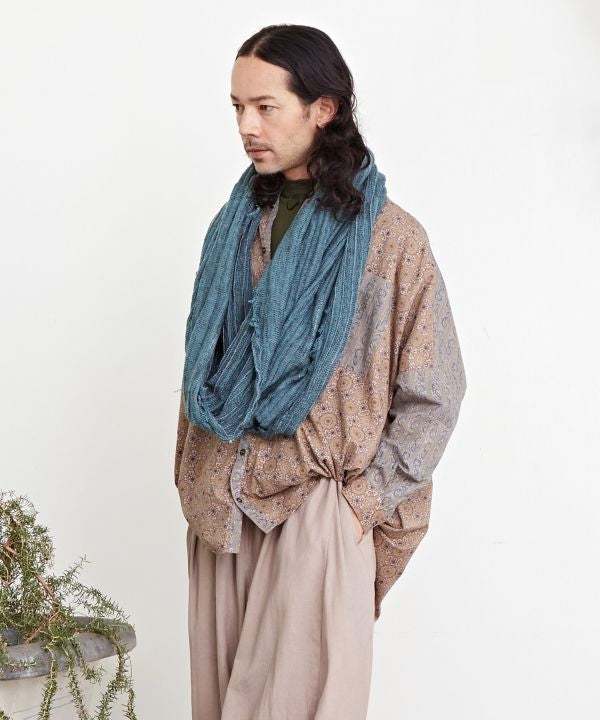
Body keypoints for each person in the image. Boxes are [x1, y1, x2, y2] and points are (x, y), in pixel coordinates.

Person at [175, 23, 467, 720]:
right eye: (237, 107)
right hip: (222, 509)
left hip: (316, 510)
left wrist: (361, 505)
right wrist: (193, 480)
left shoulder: (391, 240)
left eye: (265, 107)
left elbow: (435, 391)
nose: (246, 126)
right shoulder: (232, 227)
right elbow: (202, 366)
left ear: (323, 109)